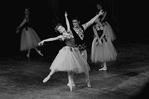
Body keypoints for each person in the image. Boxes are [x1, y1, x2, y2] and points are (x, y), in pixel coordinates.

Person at [39, 12, 91, 91]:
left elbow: (68, 25)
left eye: (62, 27)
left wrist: (66, 17)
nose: (62, 29)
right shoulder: (62, 36)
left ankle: (80, 81)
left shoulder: (69, 31)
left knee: (77, 67)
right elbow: (52, 39)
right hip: (67, 51)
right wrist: (44, 40)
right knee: (60, 65)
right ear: (59, 31)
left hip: (75, 51)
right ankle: (49, 76)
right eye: (60, 29)